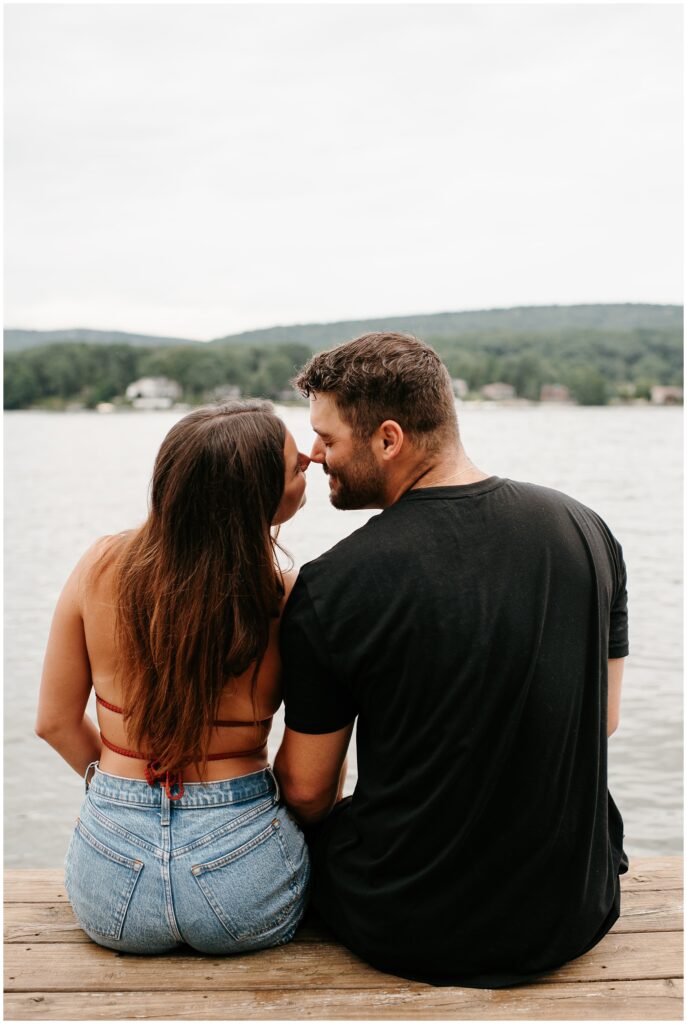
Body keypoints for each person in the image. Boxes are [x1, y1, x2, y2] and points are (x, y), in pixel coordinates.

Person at [274, 333, 629, 988]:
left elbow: (305, 790)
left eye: (326, 437)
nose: (313, 454)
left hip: (409, 929)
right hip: (570, 913)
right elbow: (600, 721)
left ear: (387, 439)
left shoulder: (333, 584)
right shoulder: (586, 529)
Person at [36, 401, 312, 954]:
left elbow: (54, 723)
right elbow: (306, 780)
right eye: (295, 464)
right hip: (242, 876)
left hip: (111, 886)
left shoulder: (98, 566)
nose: (310, 458)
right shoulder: (288, 596)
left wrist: (119, 793)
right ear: (256, 496)